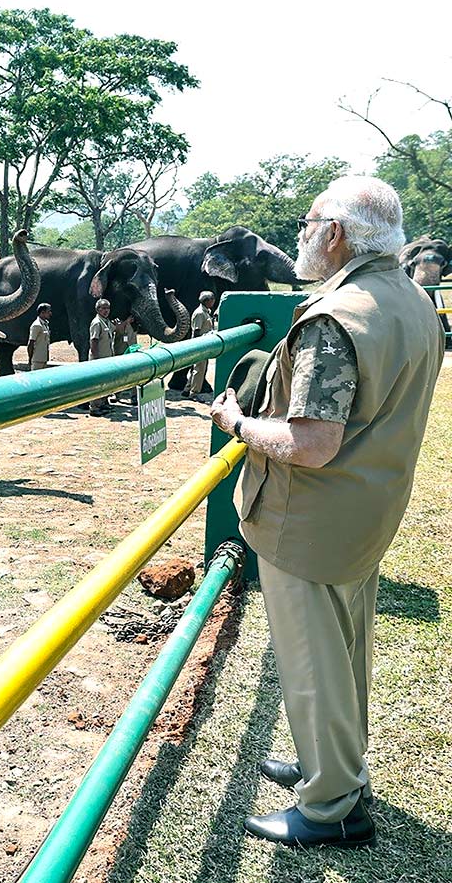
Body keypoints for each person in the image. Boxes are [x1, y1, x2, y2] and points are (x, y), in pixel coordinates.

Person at [209, 176, 442, 848]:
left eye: (309, 223)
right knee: (346, 653)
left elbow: (310, 444)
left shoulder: (335, 318)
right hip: (366, 510)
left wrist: (237, 423)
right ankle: (334, 767)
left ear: (335, 233)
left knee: (313, 665)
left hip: (308, 519)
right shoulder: (412, 298)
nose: (302, 235)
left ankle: (332, 806)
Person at [186, 291, 217, 400]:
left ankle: (187, 389)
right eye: (212, 300)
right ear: (207, 301)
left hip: (204, 344)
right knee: (199, 369)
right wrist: (197, 347)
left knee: (196, 368)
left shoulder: (206, 312)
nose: (213, 302)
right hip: (200, 345)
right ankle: (194, 393)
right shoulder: (200, 313)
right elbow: (196, 331)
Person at [88, 299, 116, 416]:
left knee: (105, 383)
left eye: (107, 308)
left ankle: (103, 403)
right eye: (103, 308)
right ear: (97, 309)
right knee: (97, 384)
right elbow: (94, 341)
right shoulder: (97, 323)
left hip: (107, 359)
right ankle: (94, 407)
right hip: (99, 359)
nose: (106, 311)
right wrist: (96, 359)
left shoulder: (106, 322)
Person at [112, 316, 140, 403]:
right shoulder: (116, 319)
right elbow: (118, 329)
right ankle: (117, 394)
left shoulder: (135, 320)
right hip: (120, 349)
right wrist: (126, 322)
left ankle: (134, 395)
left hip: (132, 348)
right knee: (118, 373)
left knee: (133, 373)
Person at [27, 303, 52, 370]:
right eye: (48, 312)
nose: (50, 313)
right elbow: (31, 343)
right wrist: (30, 359)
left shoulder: (45, 324)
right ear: (42, 313)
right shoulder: (37, 325)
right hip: (37, 360)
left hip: (43, 359)